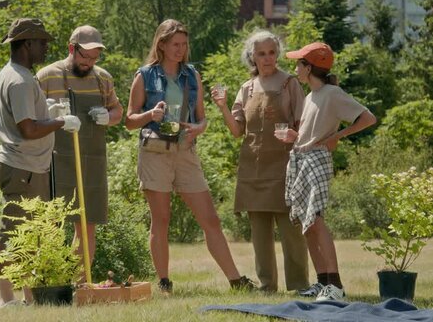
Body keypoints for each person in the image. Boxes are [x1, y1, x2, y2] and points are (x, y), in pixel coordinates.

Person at [125, 19, 255, 293]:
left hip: (186, 152)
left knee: (210, 219)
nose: (181, 50)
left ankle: (235, 280)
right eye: (175, 45)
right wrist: (150, 115)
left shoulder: (192, 75)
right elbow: (129, 120)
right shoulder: (145, 75)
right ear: (161, 44)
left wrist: (199, 128)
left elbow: (203, 119)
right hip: (155, 153)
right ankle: (164, 282)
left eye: (184, 45)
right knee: (161, 219)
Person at [210, 30, 309, 293]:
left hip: (286, 168)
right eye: (261, 53)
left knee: (291, 232)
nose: (267, 58)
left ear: (277, 54)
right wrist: (221, 106)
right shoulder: (246, 88)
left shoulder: (290, 84)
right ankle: (267, 286)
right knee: (259, 236)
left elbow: (304, 128)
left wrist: (293, 136)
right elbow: (236, 131)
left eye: (272, 53)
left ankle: (299, 285)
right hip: (253, 169)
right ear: (252, 57)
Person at [0, 18, 81, 307]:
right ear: (27, 44)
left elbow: (28, 117)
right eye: (42, 42)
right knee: (15, 232)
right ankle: (6, 299)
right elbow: (28, 129)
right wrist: (59, 121)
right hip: (23, 168)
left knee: (31, 235)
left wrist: (50, 110)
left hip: (28, 167)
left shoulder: (15, 74)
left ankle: (30, 297)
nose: (46, 48)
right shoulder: (18, 80)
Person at [280, 42, 376, 301]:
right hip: (301, 158)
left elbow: (368, 118)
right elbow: (312, 130)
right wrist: (295, 136)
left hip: (317, 160)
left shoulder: (333, 93)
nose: (295, 67)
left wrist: (339, 135)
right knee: (307, 224)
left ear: (308, 68)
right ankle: (323, 283)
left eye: (299, 63)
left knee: (317, 220)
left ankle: (336, 284)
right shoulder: (311, 96)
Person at [36, 25, 123, 267]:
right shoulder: (47, 76)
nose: (89, 63)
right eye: (85, 56)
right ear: (71, 48)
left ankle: (80, 283)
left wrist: (108, 115)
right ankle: (52, 281)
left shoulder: (102, 78)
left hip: (91, 160)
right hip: (54, 160)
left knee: (87, 225)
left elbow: (118, 110)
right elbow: (29, 116)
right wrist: (52, 115)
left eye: (95, 58)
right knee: (51, 223)